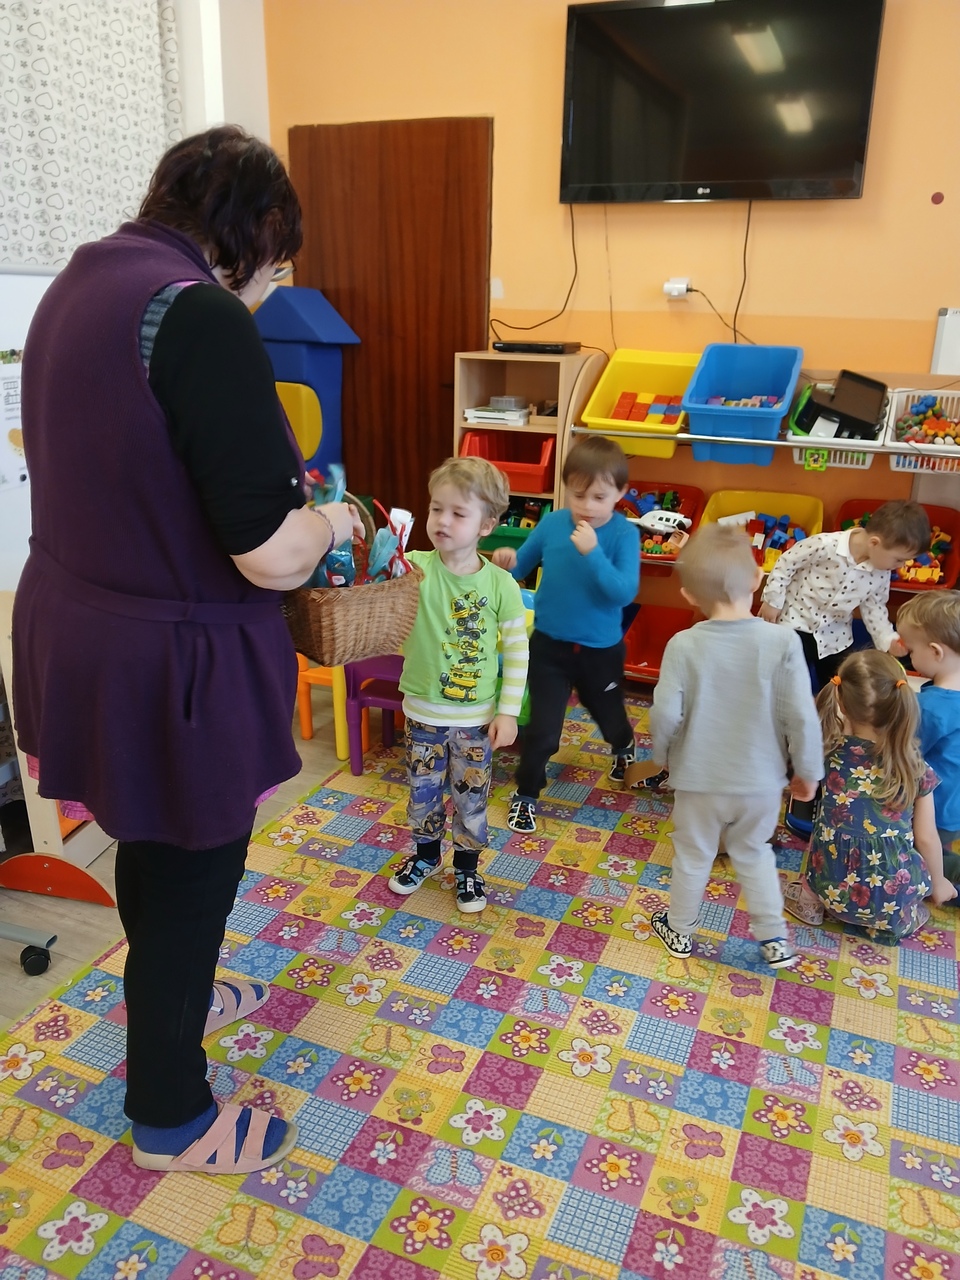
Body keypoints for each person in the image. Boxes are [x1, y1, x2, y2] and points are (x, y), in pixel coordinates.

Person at [12, 127, 361, 1175]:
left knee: (149, 839)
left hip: (78, 628)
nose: (269, 286)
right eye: (276, 263)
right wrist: (335, 521)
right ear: (251, 233)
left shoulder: (79, 283)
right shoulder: (198, 313)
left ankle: (185, 993)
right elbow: (270, 551)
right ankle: (170, 1109)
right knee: (194, 873)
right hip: (170, 662)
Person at [649, 523, 823, 970]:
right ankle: (774, 939)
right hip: (761, 782)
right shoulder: (784, 641)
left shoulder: (683, 644)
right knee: (755, 854)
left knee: (693, 855)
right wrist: (808, 771)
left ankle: (680, 931)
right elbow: (801, 715)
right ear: (757, 578)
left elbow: (666, 713)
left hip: (699, 780)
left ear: (689, 595)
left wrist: (660, 756)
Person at [388, 458, 529, 912]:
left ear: (486, 524)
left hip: (475, 721)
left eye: (458, 513)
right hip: (422, 716)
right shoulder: (412, 568)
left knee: (471, 800)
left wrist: (508, 712)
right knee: (422, 795)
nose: (442, 521)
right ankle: (427, 857)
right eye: (436, 509)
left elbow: (517, 652)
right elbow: (373, 577)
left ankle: (467, 868)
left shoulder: (502, 585)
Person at [491, 436, 640, 834]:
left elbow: (623, 592)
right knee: (542, 727)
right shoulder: (554, 523)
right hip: (549, 645)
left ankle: (623, 745)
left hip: (600, 651)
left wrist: (593, 553)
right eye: (578, 495)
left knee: (608, 714)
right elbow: (521, 565)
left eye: (599, 497)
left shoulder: (624, 535)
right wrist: (507, 562)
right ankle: (526, 793)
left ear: (621, 493)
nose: (587, 506)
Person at [803, 650, 956, 940]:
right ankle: (887, 924)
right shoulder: (914, 766)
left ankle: (810, 901)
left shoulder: (829, 751)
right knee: (919, 890)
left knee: (823, 834)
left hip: (831, 892)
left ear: (841, 702)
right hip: (890, 901)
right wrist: (938, 883)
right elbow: (926, 838)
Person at [759, 500, 931, 690]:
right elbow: (786, 563)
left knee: (844, 685)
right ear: (874, 543)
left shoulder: (881, 573)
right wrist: (773, 601)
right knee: (785, 680)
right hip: (796, 622)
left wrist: (888, 640)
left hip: (835, 636)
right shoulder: (824, 545)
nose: (901, 566)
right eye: (898, 559)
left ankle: (832, 706)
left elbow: (875, 609)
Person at [896, 592, 960, 880]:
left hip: (935, 810)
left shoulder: (931, 708)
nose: (909, 655)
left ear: (936, 652)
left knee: (916, 857)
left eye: (911, 650)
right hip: (954, 806)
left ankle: (945, 876)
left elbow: (902, 752)